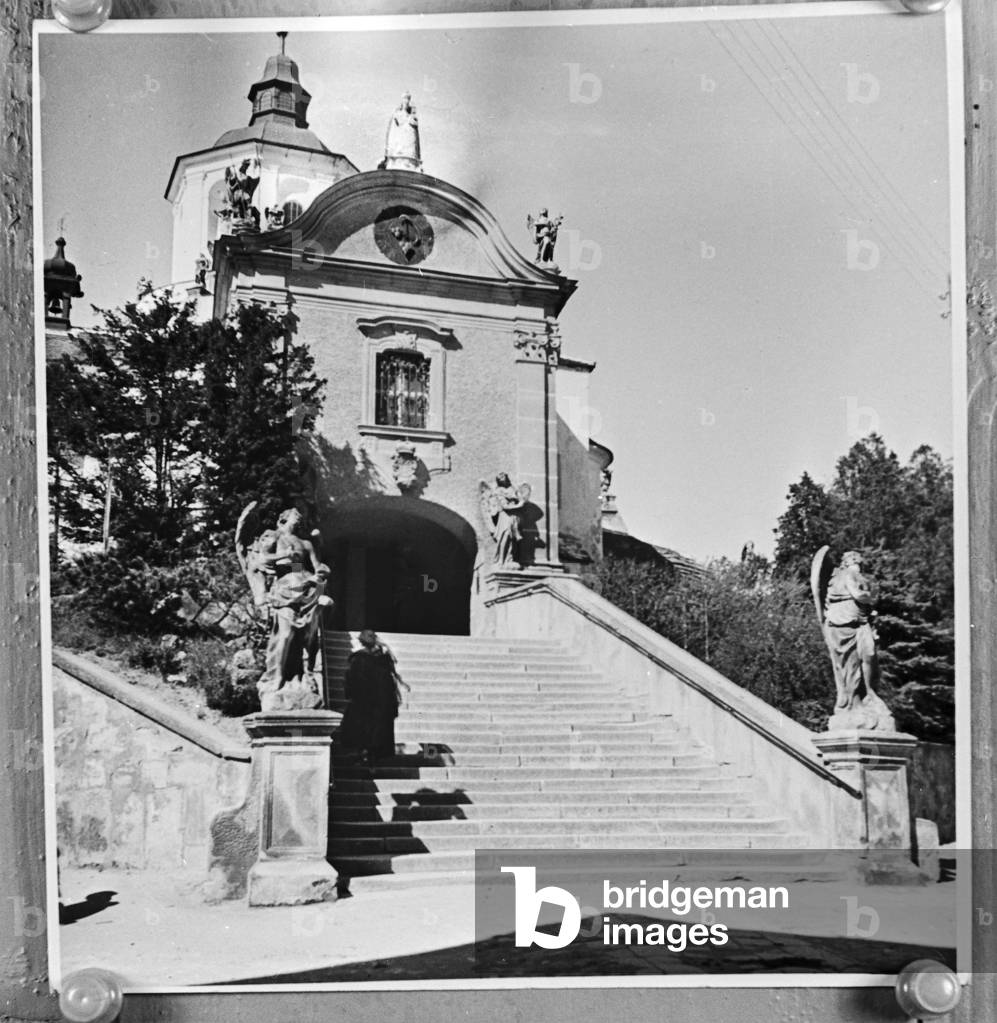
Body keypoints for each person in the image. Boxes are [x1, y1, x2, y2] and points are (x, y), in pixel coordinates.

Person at [338, 629, 409, 762]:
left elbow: (351, 679)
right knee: (374, 729)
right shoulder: (380, 658)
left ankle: (365, 752)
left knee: (365, 728)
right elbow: (389, 679)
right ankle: (372, 753)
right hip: (377, 702)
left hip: (366, 701)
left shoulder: (360, 658)